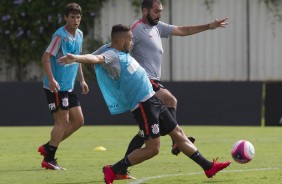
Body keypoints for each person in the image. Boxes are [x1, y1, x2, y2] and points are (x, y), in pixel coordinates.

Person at [58, 24, 231, 184]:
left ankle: (208, 167)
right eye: (130, 39)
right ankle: (113, 169)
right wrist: (75, 58)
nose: (133, 42)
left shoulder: (124, 54)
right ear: (121, 41)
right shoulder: (112, 55)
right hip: (143, 106)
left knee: (178, 134)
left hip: (153, 100)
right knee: (152, 149)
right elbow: (95, 58)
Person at [114, 0, 229, 179]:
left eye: (161, 11)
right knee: (170, 100)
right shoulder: (136, 29)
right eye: (156, 11)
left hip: (152, 82)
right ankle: (176, 141)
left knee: (145, 133)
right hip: (144, 81)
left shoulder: (157, 27)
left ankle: (120, 170)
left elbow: (184, 30)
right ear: (145, 11)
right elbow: (120, 49)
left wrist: (209, 26)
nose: (159, 14)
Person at [39, 2, 89, 170]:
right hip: (56, 86)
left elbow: (77, 58)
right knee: (62, 121)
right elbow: (45, 58)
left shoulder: (80, 34)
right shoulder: (60, 36)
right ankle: (49, 158)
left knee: (78, 121)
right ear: (66, 18)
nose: (76, 20)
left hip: (68, 86)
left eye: (78, 17)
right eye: (72, 17)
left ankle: (48, 147)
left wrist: (81, 80)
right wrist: (51, 80)